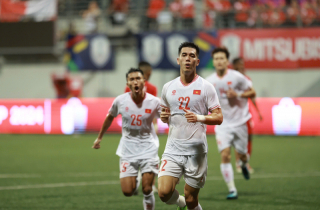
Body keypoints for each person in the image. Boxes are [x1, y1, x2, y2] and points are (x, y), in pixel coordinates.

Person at [158, 42, 223, 210]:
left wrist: (199, 117)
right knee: (164, 193)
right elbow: (164, 113)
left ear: (197, 61)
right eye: (185, 55)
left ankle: (186, 203)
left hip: (196, 151)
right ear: (178, 59)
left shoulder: (206, 87)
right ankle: (180, 203)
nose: (188, 59)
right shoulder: (168, 87)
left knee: (191, 198)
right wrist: (163, 117)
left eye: (192, 56)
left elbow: (219, 117)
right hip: (173, 149)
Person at [92, 68, 161, 210]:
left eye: (138, 78)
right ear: (127, 83)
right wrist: (99, 138)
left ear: (144, 81)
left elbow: (168, 119)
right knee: (128, 192)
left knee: (147, 189)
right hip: (128, 150)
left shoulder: (154, 101)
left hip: (149, 148)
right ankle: (135, 178)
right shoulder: (120, 101)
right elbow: (110, 117)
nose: (135, 81)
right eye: (132, 79)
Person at [206, 47, 256, 200]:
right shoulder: (209, 81)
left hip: (240, 122)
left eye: (222, 58)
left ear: (227, 61)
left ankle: (244, 162)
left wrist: (238, 94)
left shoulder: (238, 77)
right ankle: (232, 189)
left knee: (241, 155)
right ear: (213, 62)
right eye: (216, 59)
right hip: (222, 124)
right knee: (225, 155)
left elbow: (252, 92)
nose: (219, 61)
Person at [124, 61, 159, 193]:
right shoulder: (152, 88)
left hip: (132, 129)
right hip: (147, 128)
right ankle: (148, 184)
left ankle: (134, 184)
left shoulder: (127, 87)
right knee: (150, 157)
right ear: (149, 73)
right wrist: (155, 125)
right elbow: (154, 109)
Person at [232, 57, 263, 174]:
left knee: (249, 138)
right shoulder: (230, 80)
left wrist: (258, 111)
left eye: (243, 64)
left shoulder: (247, 79)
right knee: (237, 139)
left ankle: (245, 162)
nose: (242, 67)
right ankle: (238, 162)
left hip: (245, 114)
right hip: (234, 115)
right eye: (240, 65)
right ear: (235, 66)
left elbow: (252, 95)